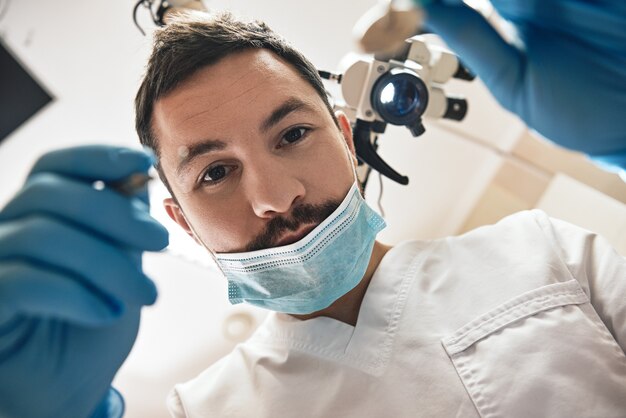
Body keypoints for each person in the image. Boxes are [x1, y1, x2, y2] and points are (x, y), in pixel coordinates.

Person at [0, 8, 625, 418]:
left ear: (347, 137)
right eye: (215, 173)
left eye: (293, 134)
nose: (275, 196)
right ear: (183, 222)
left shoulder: (543, 251)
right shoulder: (204, 410)